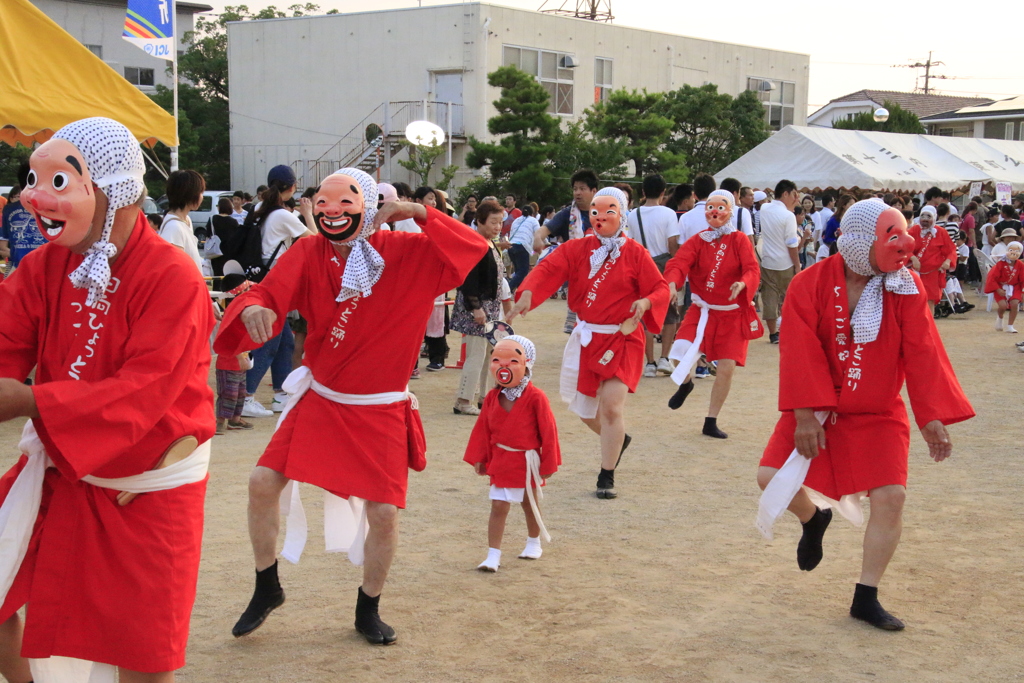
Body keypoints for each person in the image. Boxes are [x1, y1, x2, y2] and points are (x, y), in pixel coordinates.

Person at [216, 167, 488, 646]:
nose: (332, 213)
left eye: (345, 203)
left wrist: (418, 211)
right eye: (323, 203)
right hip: (322, 397)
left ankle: (369, 607)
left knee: (383, 513)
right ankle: (267, 585)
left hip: (380, 406)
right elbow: (267, 292)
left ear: (367, 206)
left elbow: (474, 248)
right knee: (261, 482)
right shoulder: (309, 252)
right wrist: (253, 307)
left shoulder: (407, 252)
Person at [0, 116, 215, 682]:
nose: (35, 197)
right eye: (35, 181)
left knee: (141, 649)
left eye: (58, 182)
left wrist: (31, 401)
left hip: (145, 486)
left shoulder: (172, 276)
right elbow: (6, 336)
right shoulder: (46, 264)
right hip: (60, 469)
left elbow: (142, 390)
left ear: (112, 191)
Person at [756, 199, 973, 631]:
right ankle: (813, 518)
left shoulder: (905, 285)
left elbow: (923, 350)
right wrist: (804, 416)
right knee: (769, 476)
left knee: (891, 497)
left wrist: (931, 416)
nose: (904, 244)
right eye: (892, 236)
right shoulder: (809, 282)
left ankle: (866, 596)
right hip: (818, 406)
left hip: (877, 407)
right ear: (860, 242)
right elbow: (799, 350)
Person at [509, 187, 669, 499]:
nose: (600, 217)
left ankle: (606, 474)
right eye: (595, 211)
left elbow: (660, 288)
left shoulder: (636, 253)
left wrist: (646, 302)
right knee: (585, 411)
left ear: (621, 215)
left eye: (609, 211)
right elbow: (548, 269)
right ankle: (618, 439)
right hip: (589, 337)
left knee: (610, 407)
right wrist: (528, 291)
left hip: (623, 338)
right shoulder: (577, 248)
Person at [663, 191, 761, 438]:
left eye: (721, 206)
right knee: (678, 352)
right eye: (710, 206)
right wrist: (672, 283)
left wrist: (743, 284)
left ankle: (711, 419)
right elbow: (678, 263)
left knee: (726, 367)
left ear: (730, 210)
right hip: (703, 309)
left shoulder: (739, 240)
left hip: (732, 314)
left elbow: (752, 268)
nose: (715, 211)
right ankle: (686, 384)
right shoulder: (698, 241)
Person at [464, 335, 560, 571]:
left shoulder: (536, 397)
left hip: (526, 460)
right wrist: (480, 457)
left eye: (512, 361)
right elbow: (483, 429)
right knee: (498, 506)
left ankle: (533, 542)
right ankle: (493, 555)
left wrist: (548, 463)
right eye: (497, 359)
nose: (503, 366)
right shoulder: (492, 397)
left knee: (529, 503)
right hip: (502, 459)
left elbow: (548, 431)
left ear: (526, 364)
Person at [242, 166, 315, 417]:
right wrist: (308, 214)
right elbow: (315, 241)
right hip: (274, 283)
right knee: (269, 341)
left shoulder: (261, 209)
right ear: (292, 187)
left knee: (285, 342)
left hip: (260, 279)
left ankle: (281, 395)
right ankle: (246, 396)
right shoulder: (282, 215)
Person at [451, 200, 506, 414]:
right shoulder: (475, 243)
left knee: (488, 354)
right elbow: (468, 279)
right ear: (480, 221)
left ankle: (484, 397)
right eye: (493, 222)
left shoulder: (490, 243)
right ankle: (463, 400)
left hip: (490, 307)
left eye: (500, 222)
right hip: (477, 307)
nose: (498, 227)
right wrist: (476, 308)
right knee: (476, 354)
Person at [627, 174, 681, 376]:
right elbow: (672, 244)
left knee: (645, 313)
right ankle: (664, 358)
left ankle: (649, 362)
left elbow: (631, 244)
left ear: (643, 191)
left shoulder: (633, 214)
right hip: (664, 265)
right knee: (670, 311)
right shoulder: (669, 213)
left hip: (642, 266)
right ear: (663, 192)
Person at [759, 180, 803, 344]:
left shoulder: (764, 208)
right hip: (785, 263)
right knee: (789, 299)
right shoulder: (788, 216)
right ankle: (787, 330)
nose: (796, 198)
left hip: (767, 261)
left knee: (769, 298)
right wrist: (797, 266)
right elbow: (791, 244)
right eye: (794, 194)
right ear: (785, 194)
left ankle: (773, 333)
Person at [216, 274, 256, 434]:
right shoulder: (234, 312)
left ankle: (235, 419)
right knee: (229, 393)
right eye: (246, 289)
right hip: (230, 361)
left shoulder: (237, 310)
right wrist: (240, 357)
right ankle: (220, 421)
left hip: (240, 359)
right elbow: (231, 338)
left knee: (239, 393)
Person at [531, 169, 598, 251]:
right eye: (575, 189)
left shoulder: (604, 213)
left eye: (582, 189)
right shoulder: (566, 214)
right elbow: (545, 229)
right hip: (573, 256)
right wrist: (538, 238)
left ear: (594, 191)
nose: (577, 193)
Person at [908, 205, 956, 316]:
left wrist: (947, 261)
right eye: (923, 216)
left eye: (928, 216)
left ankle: (929, 324)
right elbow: (904, 248)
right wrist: (913, 258)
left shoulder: (941, 232)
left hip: (933, 273)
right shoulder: (914, 230)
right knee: (915, 300)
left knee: (930, 300)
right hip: (915, 272)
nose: (925, 219)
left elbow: (951, 250)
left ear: (934, 217)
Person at [1, 164, 46, 276]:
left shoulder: (9, 209)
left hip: (18, 268)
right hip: (43, 267)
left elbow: (3, 246)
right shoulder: (51, 208)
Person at [159, 169, 206, 275]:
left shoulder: (186, 220)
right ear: (189, 194)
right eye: (200, 192)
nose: (201, 197)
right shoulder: (173, 227)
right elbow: (174, 272)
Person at [985, 241, 1023, 333]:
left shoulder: (1020, 265)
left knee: (1014, 304)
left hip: (1015, 287)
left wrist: (1022, 291)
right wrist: (998, 289)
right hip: (1000, 286)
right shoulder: (1000, 264)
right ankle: (1000, 317)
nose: (1014, 252)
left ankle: (1010, 326)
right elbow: (992, 277)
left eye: (1017, 251)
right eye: (1011, 250)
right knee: (1003, 306)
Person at [506, 205, 539, 292]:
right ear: (533, 213)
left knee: (518, 272)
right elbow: (539, 233)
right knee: (523, 271)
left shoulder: (516, 220)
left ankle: (519, 291)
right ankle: (507, 291)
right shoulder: (533, 220)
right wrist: (546, 242)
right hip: (522, 246)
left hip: (511, 246)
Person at [679, 174, 717, 243]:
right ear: (714, 193)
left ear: (694, 195)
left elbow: (681, 245)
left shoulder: (685, 218)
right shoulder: (723, 217)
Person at [210, 196, 241, 276]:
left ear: (219, 207)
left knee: (217, 275)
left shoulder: (212, 219)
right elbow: (237, 238)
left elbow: (208, 235)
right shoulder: (233, 222)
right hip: (229, 253)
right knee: (228, 275)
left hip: (215, 252)